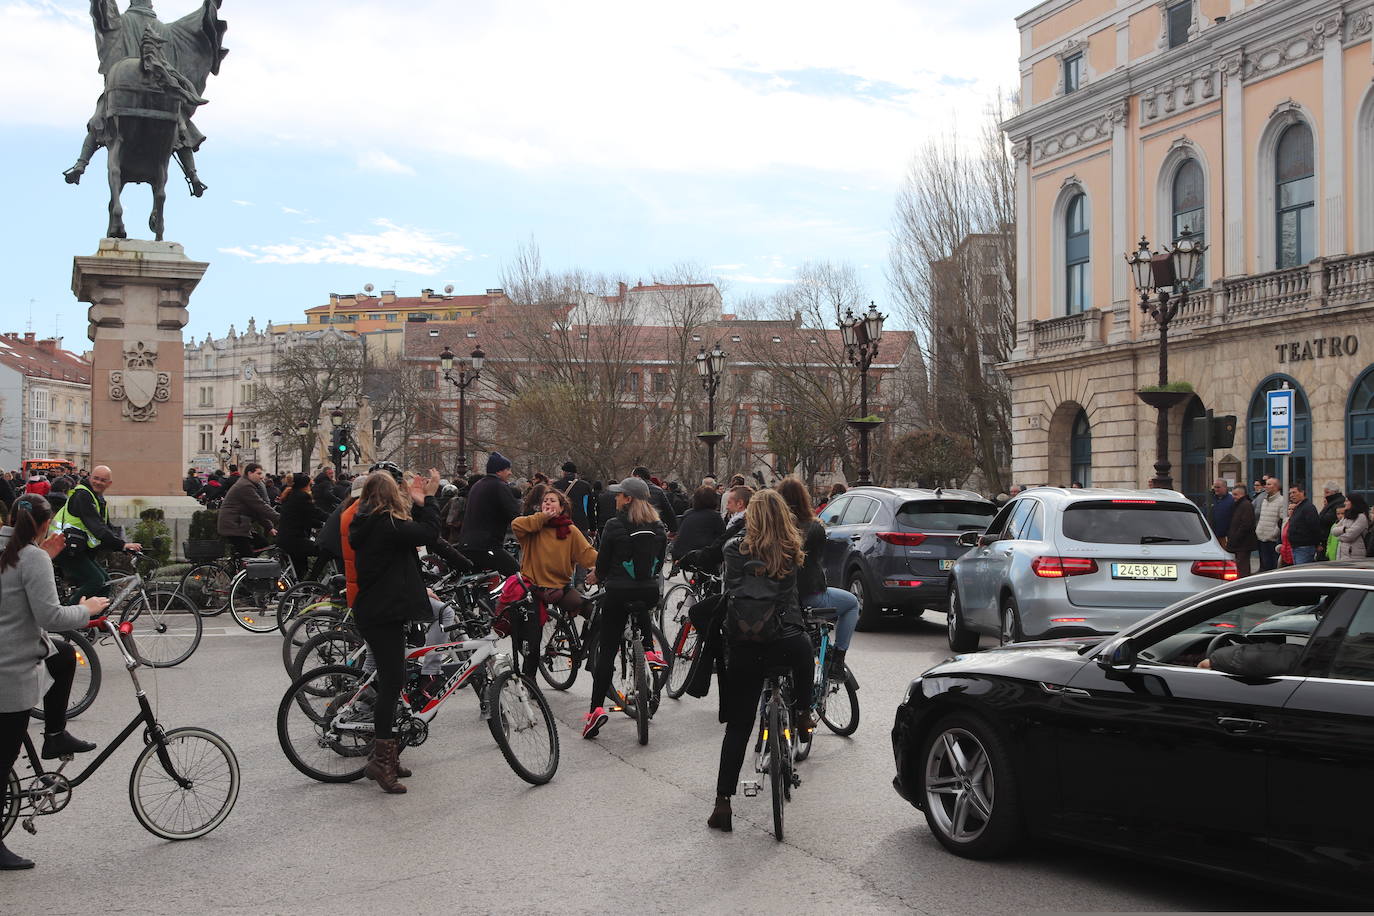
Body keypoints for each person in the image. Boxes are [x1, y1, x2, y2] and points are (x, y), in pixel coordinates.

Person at [1, 494, 110, 869]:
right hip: (8, 670)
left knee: (63, 653)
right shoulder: (30, 558)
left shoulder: (16, 550)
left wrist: (43, 555)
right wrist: (89, 609)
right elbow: (50, 615)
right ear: (47, 525)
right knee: (3, 759)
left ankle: (54, 734)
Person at [707, 489, 815, 833]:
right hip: (784, 640)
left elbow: (732, 590)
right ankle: (801, 716)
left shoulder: (732, 548)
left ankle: (722, 803)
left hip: (745, 642)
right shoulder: (790, 548)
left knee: (738, 726)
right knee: (805, 654)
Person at [348, 467, 442, 794]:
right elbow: (429, 533)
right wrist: (427, 498)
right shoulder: (386, 525)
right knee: (391, 685)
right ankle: (381, 761)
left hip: (378, 611)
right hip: (383, 614)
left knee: (394, 679)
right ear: (389, 496)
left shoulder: (368, 523)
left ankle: (387, 752)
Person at [584, 477, 667, 739]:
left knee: (607, 649)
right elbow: (658, 562)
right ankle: (650, 652)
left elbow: (604, 562)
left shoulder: (613, 524)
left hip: (618, 593)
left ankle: (595, 711)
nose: (616, 498)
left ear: (628, 499)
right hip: (649, 591)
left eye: (620, 495)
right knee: (641, 602)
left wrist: (596, 576)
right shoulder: (658, 527)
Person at [776, 476, 859, 676]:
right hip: (810, 596)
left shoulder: (775, 528)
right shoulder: (815, 528)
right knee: (852, 603)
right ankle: (838, 658)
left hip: (778, 598)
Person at [511, 488, 598, 676]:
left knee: (595, 614)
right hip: (533, 588)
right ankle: (530, 681)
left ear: (561, 507)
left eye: (552, 501)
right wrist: (541, 518)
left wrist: (602, 567)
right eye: (545, 501)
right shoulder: (533, 527)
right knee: (534, 638)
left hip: (560, 588)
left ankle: (591, 654)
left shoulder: (570, 530)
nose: (548, 504)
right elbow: (516, 525)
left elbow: (587, 554)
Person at [49, 465, 141, 600]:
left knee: (105, 583)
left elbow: (106, 527)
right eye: (96, 478)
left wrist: (123, 545)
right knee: (96, 581)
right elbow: (97, 527)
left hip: (75, 548)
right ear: (90, 477)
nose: (98, 482)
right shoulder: (83, 495)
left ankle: (93, 620)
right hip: (63, 547)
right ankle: (66, 617)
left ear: (109, 484)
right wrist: (122, 545)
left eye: (103, 480)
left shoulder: (97, 498)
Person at [458, 452, 521, 576]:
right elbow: (515, 515)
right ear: (498, 471)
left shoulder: (478, 485)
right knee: (518, 577)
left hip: (468, 544)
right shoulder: (499, 486)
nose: (510, 473)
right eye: (507, 469)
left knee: (479, 582)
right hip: (487, 546)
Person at [216, 462, 279, 560]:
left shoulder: (247, 484)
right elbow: (260, 506)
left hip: (237, 524)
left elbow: (256, 511)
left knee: (262, 544)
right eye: (258, 473)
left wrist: (269, 527)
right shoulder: (245, 486)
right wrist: (279, 518)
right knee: (248, 557)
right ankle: (246, 571)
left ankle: (240, 567)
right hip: (234, 526)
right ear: (249, 473)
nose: (261, 477)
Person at [276, 473, 327, 580]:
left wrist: (321, 524)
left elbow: (305, 518)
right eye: (310, 484)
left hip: (286, 538)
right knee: (325, 552)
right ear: (305, 485)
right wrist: (332, 519)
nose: (311, 487)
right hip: (294, 539)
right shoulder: (301, 496)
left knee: (300, 569)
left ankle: (300, 589)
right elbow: (315, 512)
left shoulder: (290, 495)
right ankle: (311, 582)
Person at [672, 485, 727, 561]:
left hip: (680, 554)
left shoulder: (688, 513)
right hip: (699, 555)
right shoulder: (715, 516)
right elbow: (723, 536)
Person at [632, 466, 678, 533]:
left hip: (635, 528)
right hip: (655, 528)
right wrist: (673, 529)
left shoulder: (631, 490)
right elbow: (668, 511)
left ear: (637, 477)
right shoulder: (658, 490)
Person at [1225, 485, 1258, 577]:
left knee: (1242, 567)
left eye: (1236, 494)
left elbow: (1246, 525)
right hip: (1240, 542)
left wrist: (1235, 538)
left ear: (1242, 495)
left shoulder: (1246, 505)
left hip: (1243, 543)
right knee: (1240, 566)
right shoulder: (1239, 505)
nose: (1233, 497)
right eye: (1233, 494)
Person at [1285, 482, 1321, 565]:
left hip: (1304, 548)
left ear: (1302, 492)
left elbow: (1314, 527)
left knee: (1301, 573)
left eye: (1294, 492)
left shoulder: (1308, 508)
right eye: (1290, 493)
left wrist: (1317, 543)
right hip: (1296, 547)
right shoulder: (1298, 507)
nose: (1291, 495)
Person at [1254, 476, 1285, 571]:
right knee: (1264, 565)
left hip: (1272, 540)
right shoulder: (1264, 500)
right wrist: (1258, 530)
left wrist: (1274, 533)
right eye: (1266, 484)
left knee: (1272, 566)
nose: (1266, 486)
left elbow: (1282, 520)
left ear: (1276, 487)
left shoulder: (1281, 501)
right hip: (1261, 537)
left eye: (1269, 484)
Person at [1330, 495, 1370, 560]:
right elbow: (1333, 531)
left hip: (1353, 555)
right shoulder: (1346, 516)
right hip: (1342, 554)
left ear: (1354, 502)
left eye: (1347, 501)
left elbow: (1350, 536)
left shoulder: (1361, 517)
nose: (1344, 503)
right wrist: (1344, 529)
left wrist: (1339, 535)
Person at [1317, 483, 1347, 560]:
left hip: (1331, 537)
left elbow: (1327, 518)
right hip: (1328, 539)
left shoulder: (1337, 502)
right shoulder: (1331, 502)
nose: (1325, 495)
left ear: (1334, 492)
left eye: (1327, 492)